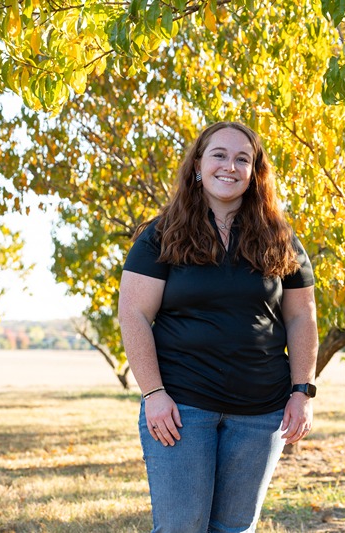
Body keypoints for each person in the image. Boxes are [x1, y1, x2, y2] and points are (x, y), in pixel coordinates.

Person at [118, 121, 319, 533]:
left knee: (234, 529)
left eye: (242, 159)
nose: (230, 166)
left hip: (261, 413)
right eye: (219, 155)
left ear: (254, 173)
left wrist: (302, 392)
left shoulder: (280, 239)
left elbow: (302, 318)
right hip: (181, 408)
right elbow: (133, 315)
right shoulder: (161, 235)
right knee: (181, 528)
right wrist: (153, 394)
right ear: (197, 165)